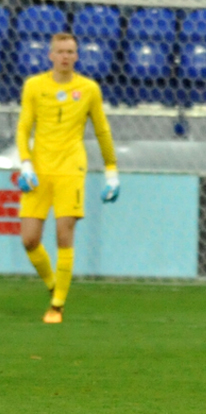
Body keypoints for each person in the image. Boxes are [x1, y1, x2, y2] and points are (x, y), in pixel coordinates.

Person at [16, 33, 120, 324]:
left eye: (70, 51)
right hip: (39, 169)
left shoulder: (88, 89)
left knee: (64, 234)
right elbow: (24, 128)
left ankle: (57, 305)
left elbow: (102, 131)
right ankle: (54, 285)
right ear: (50, 55)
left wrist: (111, 170)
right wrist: (25, 163)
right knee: (29, 239)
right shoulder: (34, 86)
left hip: (71, 170)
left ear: (77, 56)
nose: (65, 56)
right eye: (60, 51)